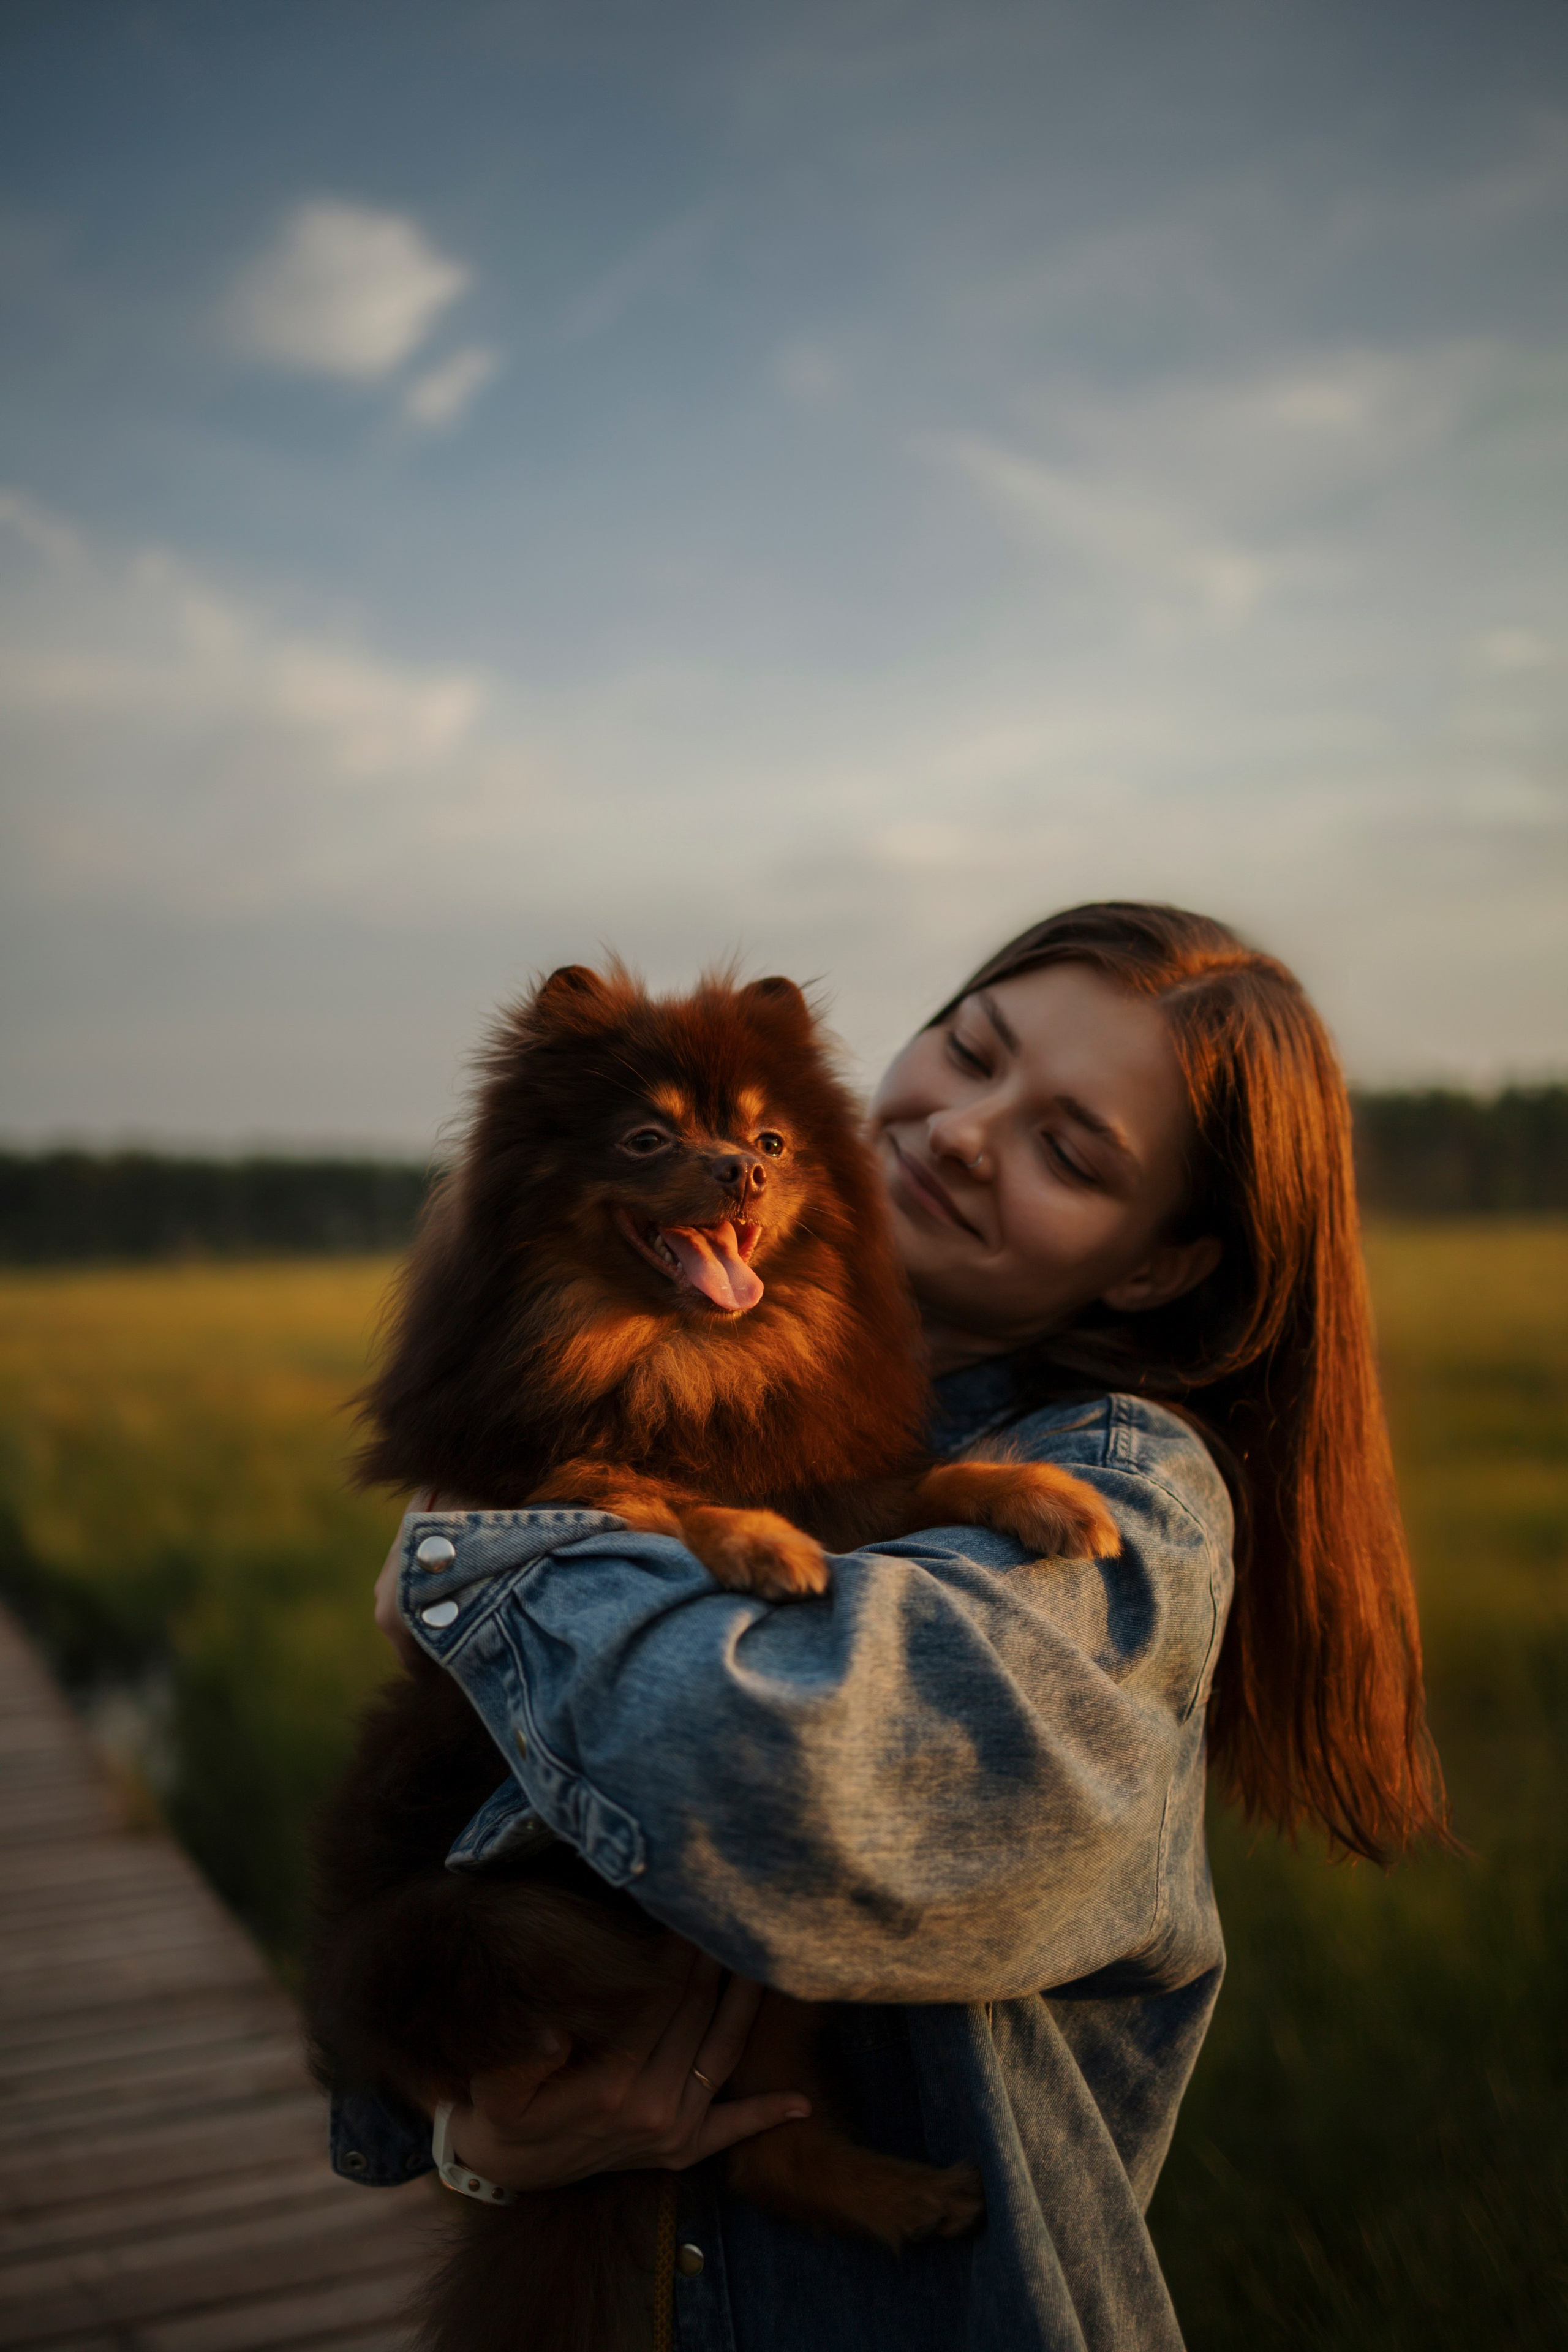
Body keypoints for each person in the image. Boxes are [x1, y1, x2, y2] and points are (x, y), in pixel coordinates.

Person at [339, 901, 1446, 2351]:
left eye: (1067, 1150)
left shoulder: (1122, 1499)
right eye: (969, 1052)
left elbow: (770, 1772)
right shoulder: (732, 1377)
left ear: (1153, 1265)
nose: (964, 1132)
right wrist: (481, 2140)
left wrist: (490, 1566)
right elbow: (447, 1862)